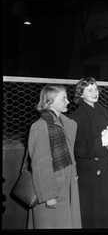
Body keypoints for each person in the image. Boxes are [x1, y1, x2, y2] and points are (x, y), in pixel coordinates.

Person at [69, 77, 108, 228]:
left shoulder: (104, 110)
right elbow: (76, 147)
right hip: (92, 174)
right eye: (89, 90)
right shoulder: (76, 117)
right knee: (96, 214)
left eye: (95, 89)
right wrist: (101, 142)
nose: (95, 93)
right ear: (80, 94)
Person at [27, 84, 81, 229]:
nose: (68, 101)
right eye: (63, 98)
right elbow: (40, 164)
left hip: (66, 184)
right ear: (50, 101)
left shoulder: (64, 123)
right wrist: (49, 195)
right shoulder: (40, 126)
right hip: (51, 189)